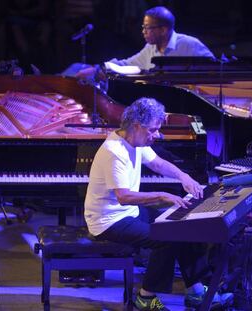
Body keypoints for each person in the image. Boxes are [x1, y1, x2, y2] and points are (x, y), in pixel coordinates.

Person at [84, 97, 232, 310]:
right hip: (107, 221)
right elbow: (123, 196)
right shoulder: (114, 152)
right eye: (153, 130)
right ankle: (145, 297)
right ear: (137, 126)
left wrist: (184, 177)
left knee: (184, 222)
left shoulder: (135, 139)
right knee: (166, 238)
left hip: (128, 213)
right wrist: (162, 195)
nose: (157, 135)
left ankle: (196, 291)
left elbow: (158, 163)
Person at [75, 6, 214, 78]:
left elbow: (216, 70)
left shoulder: (189, 45)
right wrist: (97, 68)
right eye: (143, 27)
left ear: (163, 30)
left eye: (147, 28)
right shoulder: (151, 48)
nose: (143, 32)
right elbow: (126, 64)